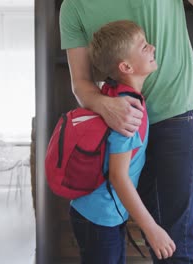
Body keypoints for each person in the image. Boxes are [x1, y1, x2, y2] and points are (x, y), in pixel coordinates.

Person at [60, 1, 193, 263]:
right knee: (143, 237)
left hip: (177, 116)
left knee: (176, 243)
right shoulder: (72, 7)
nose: (152, 48)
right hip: (123, 122)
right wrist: (105, 105)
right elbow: (80, 82)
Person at [69, 20, 176, 264]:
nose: (153, 47)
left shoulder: (113, 92)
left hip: (97, 211)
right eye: (143, 46)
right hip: (99, 217)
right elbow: (119, 177)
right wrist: (152, 229)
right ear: (126, 66)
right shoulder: (128, 111)